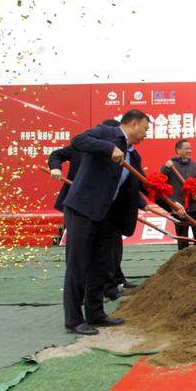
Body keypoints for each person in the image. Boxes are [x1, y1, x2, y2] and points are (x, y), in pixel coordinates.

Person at [62, 109, 150, 335]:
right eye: (145, 129)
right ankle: (74, 320)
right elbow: (78, 141)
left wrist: (172, 205)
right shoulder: (106, 133)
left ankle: (96, 314)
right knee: (78, 265)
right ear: (133, 124)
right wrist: (109, 148)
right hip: (83, 209)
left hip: (106, 216)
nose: (146, 134)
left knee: (101, 266)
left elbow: (143, 185)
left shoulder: (133, 156)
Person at [48, 119, 137, 301]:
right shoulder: (83, 147)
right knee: (80, 253)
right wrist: (55, 168)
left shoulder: (119, 154)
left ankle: (112, 284)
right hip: (80, 206)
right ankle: (78, 297)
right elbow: (57, 154)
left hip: (104, 208)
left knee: (110, 249)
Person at [160, 139, 196, 250]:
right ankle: (183, 259)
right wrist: (166, 167)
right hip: (179, 208)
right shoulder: (170, 165)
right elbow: (161, 180)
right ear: (178, 150)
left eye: (190, 148)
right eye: (186, 148)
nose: (189, 151)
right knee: (182, 239)